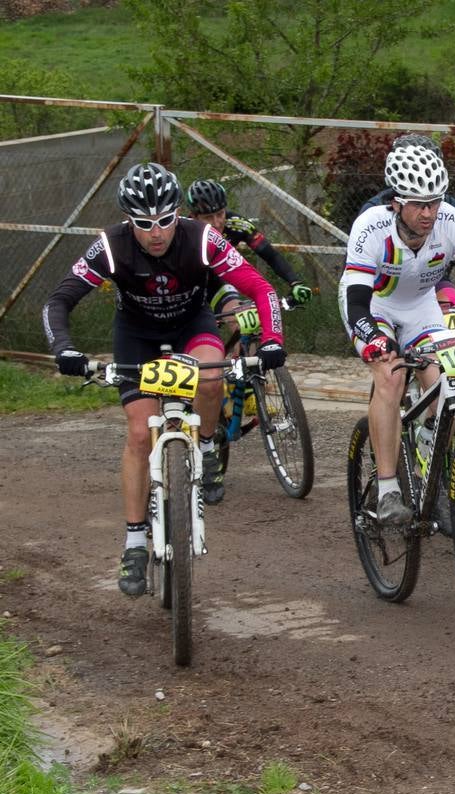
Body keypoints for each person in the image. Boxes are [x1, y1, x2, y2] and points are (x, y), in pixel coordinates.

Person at [43, 162, 286, 596]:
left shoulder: (203, 238)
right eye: (143, 223)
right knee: (140, 434)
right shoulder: (111, 247)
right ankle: (135, 540)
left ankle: (208, 446)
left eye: (166, 221)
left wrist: (271, 340)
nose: (156, 233)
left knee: (212, 379)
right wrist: (65, 350)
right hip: (135, 335)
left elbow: (260, 288)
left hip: (191, 324)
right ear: (127, 220)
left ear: (179, 214)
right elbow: (58, 300)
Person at [339, 143, 455, 525]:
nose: (429, 213)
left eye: (435, 202)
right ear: (396, 202)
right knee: (392, 377)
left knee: (444, 387)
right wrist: (375, 340)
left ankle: (431, 471)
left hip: (420, 307)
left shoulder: (452, 221)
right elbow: (358, 303)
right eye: (418, 204)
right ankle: (388, 489)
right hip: (374, 305)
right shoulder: (371, 226)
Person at [354, 133, 455, 311]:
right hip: (381, 285)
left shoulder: (451, 206)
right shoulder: (374, 210)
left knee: (451, 301)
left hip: (431, 282)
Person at [185, 178, 314, 309]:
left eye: (220, 214)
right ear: (194, 216)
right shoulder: (184, 232)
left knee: (243, 322)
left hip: (218, 282)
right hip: (185, 284)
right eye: (208, 217)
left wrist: (295, 282)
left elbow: (271, 256)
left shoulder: (237, 224)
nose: (217, 223)